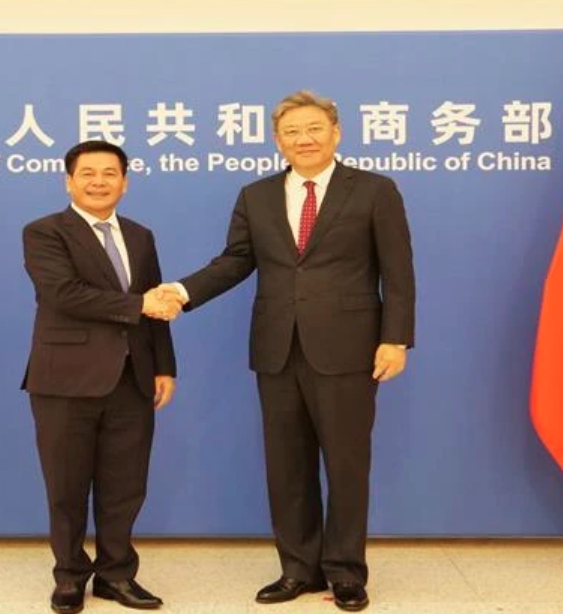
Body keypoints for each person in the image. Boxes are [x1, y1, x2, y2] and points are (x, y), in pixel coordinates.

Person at [161, 90, 415, 612]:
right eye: (292, 132)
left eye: (314, 128)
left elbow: (399, 271)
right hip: (277, 349)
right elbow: (234, 262)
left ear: (336, 133)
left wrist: (396, 337)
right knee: (287, 465)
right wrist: (182, 293)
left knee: (346, 464)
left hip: (350, 348)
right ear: (278, 141)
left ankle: (345, 571)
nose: (304, 139)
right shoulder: (256, 196)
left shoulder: (374, 190)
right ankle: (297, 569)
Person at [22, 140, 182, 614]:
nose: (98, 181)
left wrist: (165, 366)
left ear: (125, 182)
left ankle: (116, 576)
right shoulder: (44, 232)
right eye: (87, 173)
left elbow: (155, 307)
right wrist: (139, 305)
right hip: (63, 380)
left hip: (133, 378)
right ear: (68, 181)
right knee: (67, 486)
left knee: (125, 486)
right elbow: (64, 293)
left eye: (109, 173)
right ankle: (69, 576)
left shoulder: (140, 235)